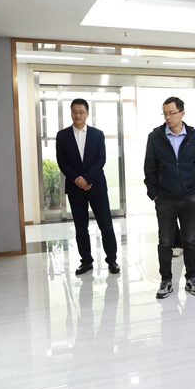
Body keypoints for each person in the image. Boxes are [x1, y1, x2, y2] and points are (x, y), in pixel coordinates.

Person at [144, 96, 195, 299]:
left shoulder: (194, 137)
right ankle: (166, 280)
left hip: (190, 197)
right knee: (165, 242)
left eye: (172, 113)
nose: (168, 117)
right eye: (165, 113)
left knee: (190, 240)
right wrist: (154, 194)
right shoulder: (155, 137)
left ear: (182, 113)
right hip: (165, 199)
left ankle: (191, 278)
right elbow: (149, 168)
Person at [55, 98, 119, 275]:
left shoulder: (97, 134)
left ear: (87, 114)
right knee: (80, 226)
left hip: (96, 185)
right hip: (75, 188)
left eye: (81, 112)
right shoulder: (62, 136)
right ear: (71, 113)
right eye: (74, 112)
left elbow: (101, 159)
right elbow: (62, 161)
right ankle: (86, 261)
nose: (78, 115)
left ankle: (112, 260)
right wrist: (77, 179)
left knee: (106, 225)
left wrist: (87, 178)